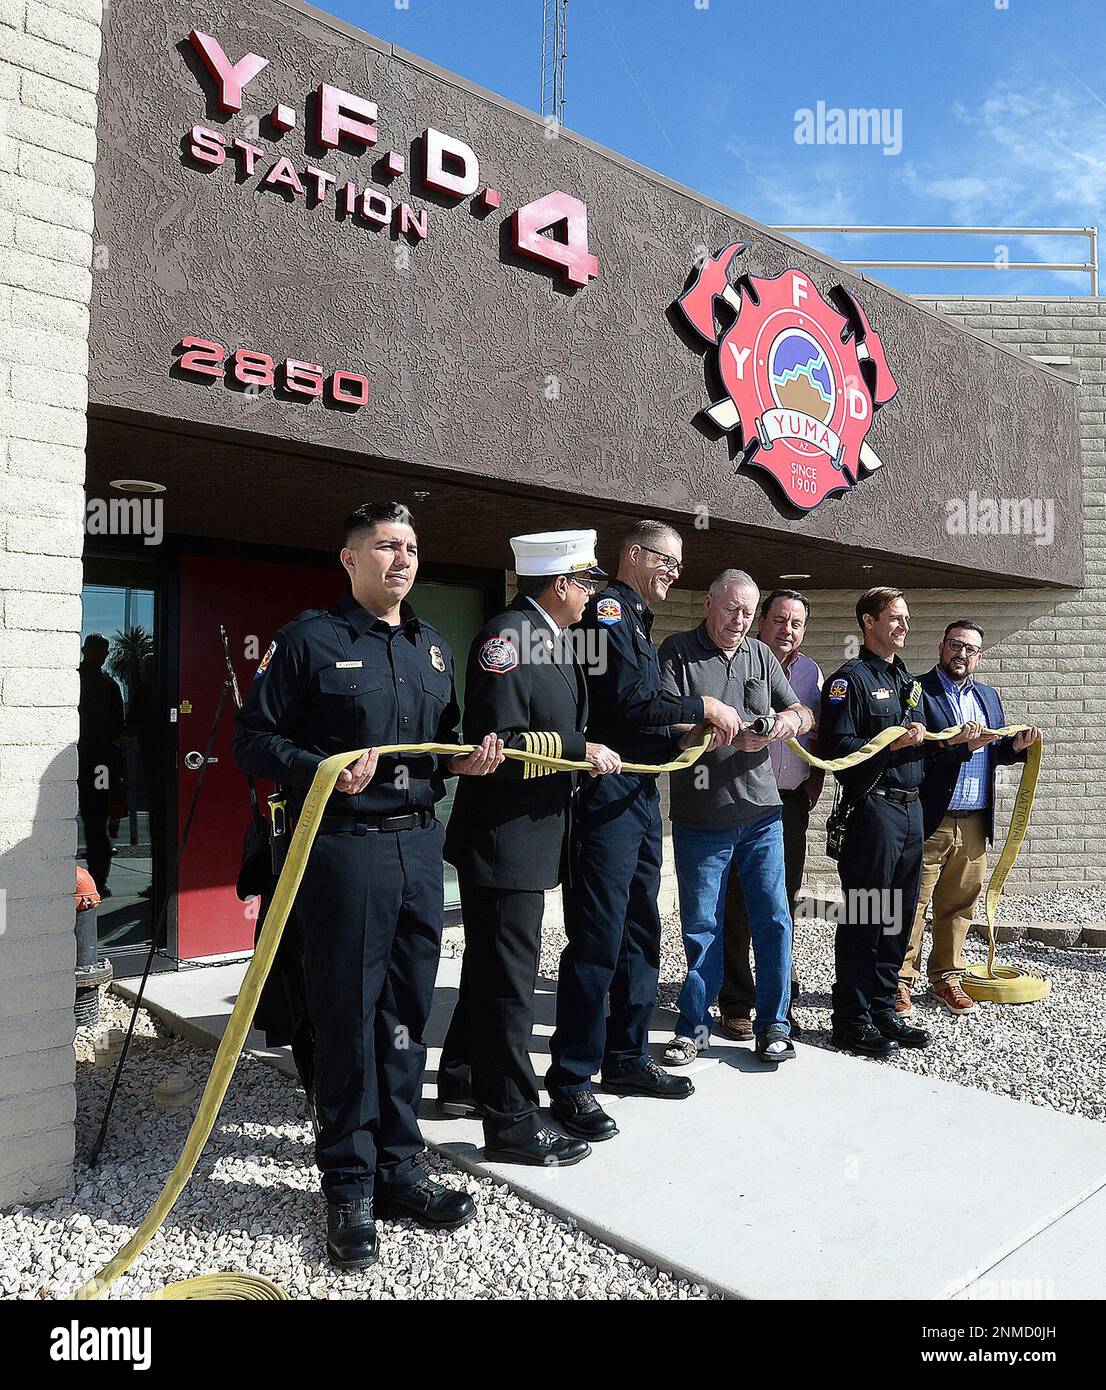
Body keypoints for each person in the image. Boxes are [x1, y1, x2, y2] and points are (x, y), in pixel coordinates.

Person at [233, 502, 504, 1270]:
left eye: (412, 547)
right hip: (343, 853)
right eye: (386, 546)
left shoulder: (432, 648)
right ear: (350, 560)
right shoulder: (309, 640)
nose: (403, 559)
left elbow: (437, 745)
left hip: (420, 852)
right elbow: (251, 740)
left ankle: (400, 1169)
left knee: (405, 1013)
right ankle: (348, 1188)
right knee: (349, 1016)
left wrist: (463, 760)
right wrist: (318, 767)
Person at [545, 520, 742, 1136]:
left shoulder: (634, 617)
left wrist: (679, 733)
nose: (674, 574)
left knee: (640, 929)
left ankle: (625, 1056)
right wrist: (701, 707)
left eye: (680, 567)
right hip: (602, 793)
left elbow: (635, 716)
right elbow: (626, 702)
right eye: (668, 562)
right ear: (631, 555)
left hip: (635, 790)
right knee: (598, 939)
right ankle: (571, 1079)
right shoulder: (606, 610)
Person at [438, 530, 622, 1160]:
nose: (593, 592)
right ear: (560, 583)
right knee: (510, 984)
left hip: (533, 831)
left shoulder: (552, 638)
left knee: (492, 970)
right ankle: (511, 1120)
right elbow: (499, 740)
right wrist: (582, 752)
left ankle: (461, 1075)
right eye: (588, 581)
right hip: (504, 837)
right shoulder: (508, 638)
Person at [658, 571, 814, 1064]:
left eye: (747, 613)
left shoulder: (761, 654)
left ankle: (774, 1026)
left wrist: (784, 723)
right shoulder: (677, 652)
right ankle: (694, 1027)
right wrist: (710, 727)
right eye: (730, 610)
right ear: (708, 603)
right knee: (702, 925)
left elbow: (802, 714)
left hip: (763, 815)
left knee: (774, 921)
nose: (739, 621)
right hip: (701, 818)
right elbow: (662, 723)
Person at [899, 620, 1042, 1016]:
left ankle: (946, 978)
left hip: (976, 819)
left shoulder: (989, 697)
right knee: (912, 903)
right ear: (942, 647)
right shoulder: (917, 691)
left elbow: (993, 753)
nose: (963, 654)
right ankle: (899, 982)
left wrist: (1015, 746)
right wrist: (961, 745)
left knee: (959, 905)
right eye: (956, 645)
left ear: (978, 657)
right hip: (931, 818)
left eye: (971, 649)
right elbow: (912, 754)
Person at [819, 587, 932, 1056]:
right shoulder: (850, 680)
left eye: (906, 617)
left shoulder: (906, 678)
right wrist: (891, 743)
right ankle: (851, 1018)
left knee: (900, 915)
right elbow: (834, 749)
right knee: (867, 913)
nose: (904, 625)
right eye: (895, 617)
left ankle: (884, 1008)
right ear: (868, 622)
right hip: (873, 809)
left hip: (911, 808)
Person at [719, 589, 824, 1041]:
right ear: (761, 621)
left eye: (797, 624)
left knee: (782, 900)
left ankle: (775, 995)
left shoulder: (810, 671)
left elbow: (814, 727)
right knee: (740, 904)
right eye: (780, 620)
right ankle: (737, 1001)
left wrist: (812, 782)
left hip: (790, 803)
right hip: (741, 799)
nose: (788, 630)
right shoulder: (740, 661)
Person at [78, 634, 125, 897]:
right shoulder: (108, 684)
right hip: (100, 759)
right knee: (97, 819)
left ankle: (96, 878)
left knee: (94, 819)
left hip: (87, 755)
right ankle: (98, 879)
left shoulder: (79, 680)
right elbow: (117, 724)